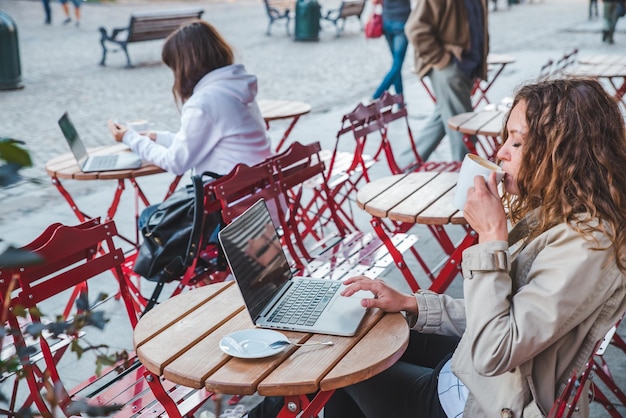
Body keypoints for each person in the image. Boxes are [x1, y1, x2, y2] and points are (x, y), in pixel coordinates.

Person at [319, 78, 626, 417]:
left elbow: (494, 350)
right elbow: (504, 315)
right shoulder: (564, 215)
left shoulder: (586, 244)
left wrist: (492, 237)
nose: (500, 153)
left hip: (484, 402)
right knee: (366, 331)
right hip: (482, 378)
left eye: (518, 143)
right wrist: (413, 304)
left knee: (342, 368)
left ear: (564, 153)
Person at [108, 20, 272, 228]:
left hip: (235, 212)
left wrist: (130, 138)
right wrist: (158, 138)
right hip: (260, 200)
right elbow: (213, 141)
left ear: (184, 66)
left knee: (150, 219)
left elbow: (176, 163)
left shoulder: (205, 102)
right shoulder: (234, 88)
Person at [404, 0, 489, 162]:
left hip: (464, 67)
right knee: (463, 127)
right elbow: (416, 29)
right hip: (450, 69)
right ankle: (466, 175)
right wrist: (443, 61)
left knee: (444, 119)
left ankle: (406, 164)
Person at [371, 0, 411, 101]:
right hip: (401, 23)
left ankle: (400, 101)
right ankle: (377, 95)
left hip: (388, 22)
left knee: (396, 64)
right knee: (397, 65)